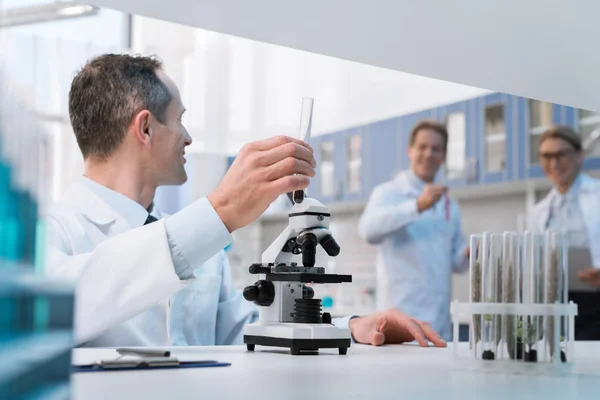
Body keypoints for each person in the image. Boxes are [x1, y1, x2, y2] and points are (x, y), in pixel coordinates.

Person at [44, 54, 446, 349]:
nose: (188, 138)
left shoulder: (201, 248)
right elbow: (63, 306)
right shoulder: (49, 231)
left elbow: (247, 336)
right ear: (145, 127)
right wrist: (218, 211)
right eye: (179, 119)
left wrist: (352, 328)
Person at [357, 120, 469, 341]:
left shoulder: (449, 204)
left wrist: (470, 252)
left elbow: (456, 262)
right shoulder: (388, 193)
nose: (428, 154)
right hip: (400, 319)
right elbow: (367, 230)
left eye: (436, 149)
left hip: (439, 321)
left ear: (443, 155)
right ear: (410, 151)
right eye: (422, 147)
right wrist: (417, 205)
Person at [529, 125, 600, 340]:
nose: (554, 163)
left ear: (579, 156)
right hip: (555, 307)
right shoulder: (538, 212)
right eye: (546, 156)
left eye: (562, 154)